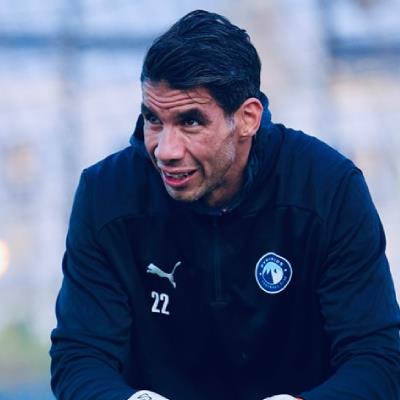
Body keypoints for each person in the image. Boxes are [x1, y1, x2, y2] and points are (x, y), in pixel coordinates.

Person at [50, 9, 400, 400]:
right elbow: (80, 358)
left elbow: (376, 360)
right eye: (153, 119)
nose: (165, 150)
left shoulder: (328, 188)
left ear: (248, 118)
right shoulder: (106, 193)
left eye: (190, 122)